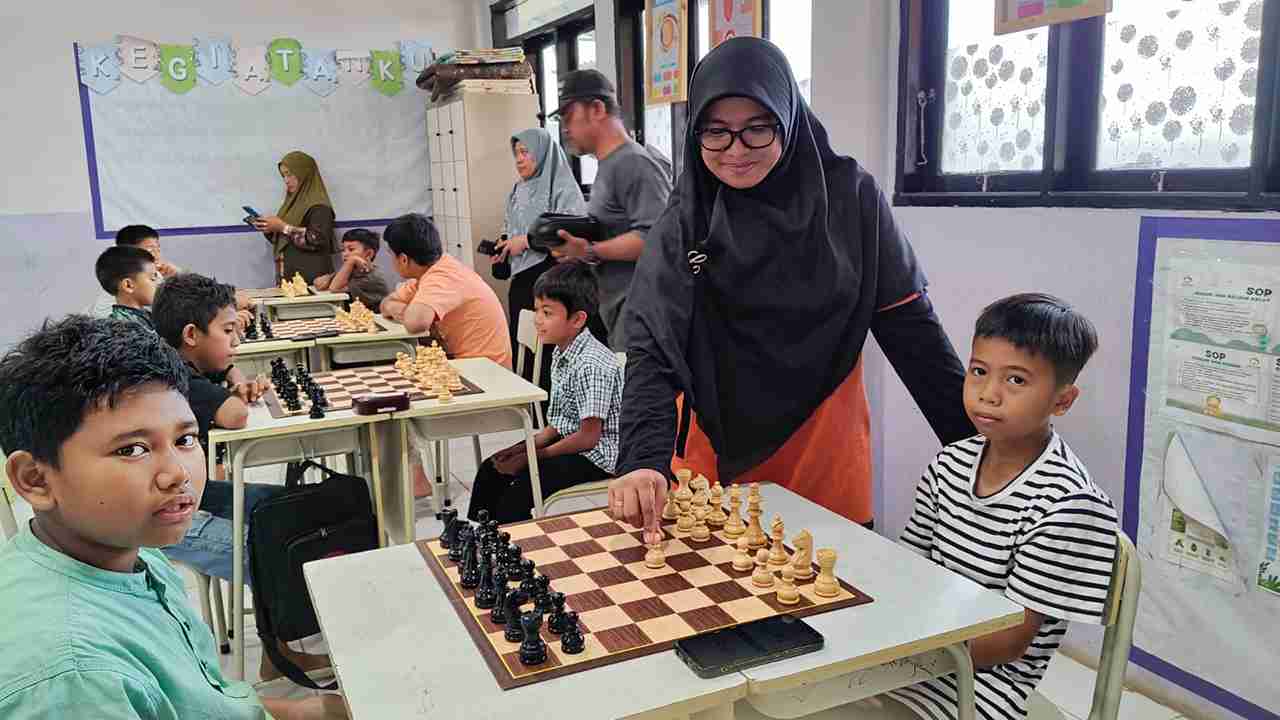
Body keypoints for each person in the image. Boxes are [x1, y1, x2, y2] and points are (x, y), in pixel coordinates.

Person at [608, 38, 974, 535]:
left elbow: (912, 330)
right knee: (715, 581)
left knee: (831, 577)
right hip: (711, 453)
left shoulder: (852, 200)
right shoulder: (686, 220)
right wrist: (642, 458)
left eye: (758, 129)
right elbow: (653, 345)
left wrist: (980, 448)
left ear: (788, 119)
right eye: (716, 131)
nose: (736, 150)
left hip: (823, 445)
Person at [0, 316, 347, 719]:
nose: (178, 473)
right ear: (36, 479)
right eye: (132, 449)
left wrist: (304, 711)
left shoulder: (130, 552)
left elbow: (196, 704)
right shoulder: (74, 677)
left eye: (185, 440)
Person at [885, 294, 1119, 720]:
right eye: (978, 371)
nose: (988, 394)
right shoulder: (949, 464)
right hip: (906, 665)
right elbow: (907, 572)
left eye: (1016, 380)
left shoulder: (1069, 504)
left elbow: (1007, 642)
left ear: (1062, 401)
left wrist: (889, 651)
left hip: (977, 693)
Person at [151, 273, 331, 681]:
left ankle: (282, 645)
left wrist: (233, 379)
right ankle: (279, 657)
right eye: (228, 330)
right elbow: (234, 416)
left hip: (194, 494)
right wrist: (234, 385)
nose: (236, 341)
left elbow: (227, 400)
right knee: (269, 547)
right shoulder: (174, 377)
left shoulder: (177, 362)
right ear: (191, 335)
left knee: (281, 506)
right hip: (169, 519)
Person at [468, 263, 622, 522]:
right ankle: (479, 537)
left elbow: (588, 438)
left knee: (517, 491)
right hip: (574, 441)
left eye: (547, 312)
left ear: (577, 319)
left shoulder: (591, 364)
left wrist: (532, 457)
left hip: (599, 455)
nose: (537, 319)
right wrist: (523, 448)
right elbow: (559, 424)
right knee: (491, 468)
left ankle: (513, 544)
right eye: (537, 309)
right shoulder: (562, 352)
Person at [380, 213, 511, 498]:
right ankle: (413, 475)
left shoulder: (442, 277)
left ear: (404, 259)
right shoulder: (434, 271)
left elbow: (416, 322)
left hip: (486, 377)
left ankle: (416, 479)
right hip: (467, 367)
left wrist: (404, 310)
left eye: (390, 255)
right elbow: (387, 303)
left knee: (392, 398)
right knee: (390, 388)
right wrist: (402, 309)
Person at [547, 69, 672, 350]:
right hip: (619, 314)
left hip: (643, 317)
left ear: (597, 109)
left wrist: (590, 251)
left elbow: (655, 238)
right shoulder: (609, 165)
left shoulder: (633, 163)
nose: (565, 128)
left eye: (569, 116)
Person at [494, 127, 588, 366]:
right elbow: (510, 225)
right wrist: (503, 245)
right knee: (524, 351)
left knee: (548, 354)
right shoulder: (518, 189)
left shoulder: (562, 188)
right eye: (516, 153)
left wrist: (526, 241)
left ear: (542, 152)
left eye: (525, 152)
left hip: (553, 279)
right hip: (522, 281)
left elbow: (571, 233)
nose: (519, 159)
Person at [253, 151, 337, 284]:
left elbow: (317, 239)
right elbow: (285, 241)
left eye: (290, 174)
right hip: (290, 280)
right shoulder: (291, 205)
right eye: (283, 176)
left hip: (312, 281)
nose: (286, 180)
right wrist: (269, 228)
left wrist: (283, 227)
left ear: (304, 174)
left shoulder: (319, 207)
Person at [86, 224, 180, 318]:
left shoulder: (157, 275)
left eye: (158, 249)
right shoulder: (110, 304)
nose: (157, 255)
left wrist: (177, 278)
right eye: (150, 250)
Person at [314, 228, 391, 310]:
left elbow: (334, 288)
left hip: (374, 316)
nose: (345, 254)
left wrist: (351, 261)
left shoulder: (372, 278)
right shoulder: (351, 271)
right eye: (343, 250)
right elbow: (318, 283)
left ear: (369, 254)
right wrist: (330, 277)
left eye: (351, 249)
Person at [95, 245, 161, 330]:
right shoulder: (121, 329)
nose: (158, 284)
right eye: (152, 279)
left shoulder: (146, 317)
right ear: (128, 285)